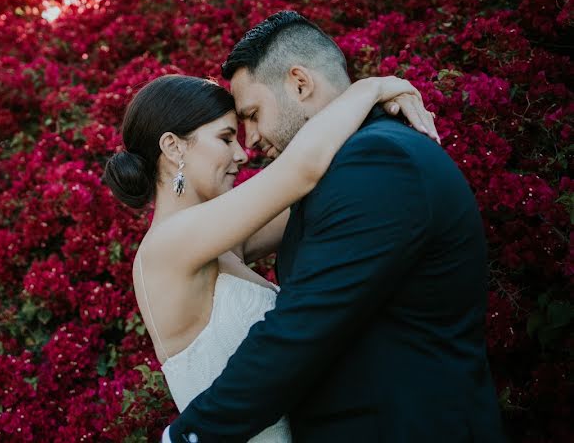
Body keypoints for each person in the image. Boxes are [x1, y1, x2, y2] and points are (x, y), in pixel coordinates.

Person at [162, 11, 506, 442]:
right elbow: (234, 241)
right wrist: (371, 87)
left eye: (251, 114)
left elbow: (302, 327)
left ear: (300, 83)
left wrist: (187, 436)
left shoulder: (378, 162)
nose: (249, 141)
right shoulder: (346, 167)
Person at [104, 69, 438, 440]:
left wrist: (380, 116)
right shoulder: (167, 246)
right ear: (173, 147)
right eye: (226, 138)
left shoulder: (221, 241)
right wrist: (372, 87)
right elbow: (301, 172)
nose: (241, 154)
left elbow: (320, 190)